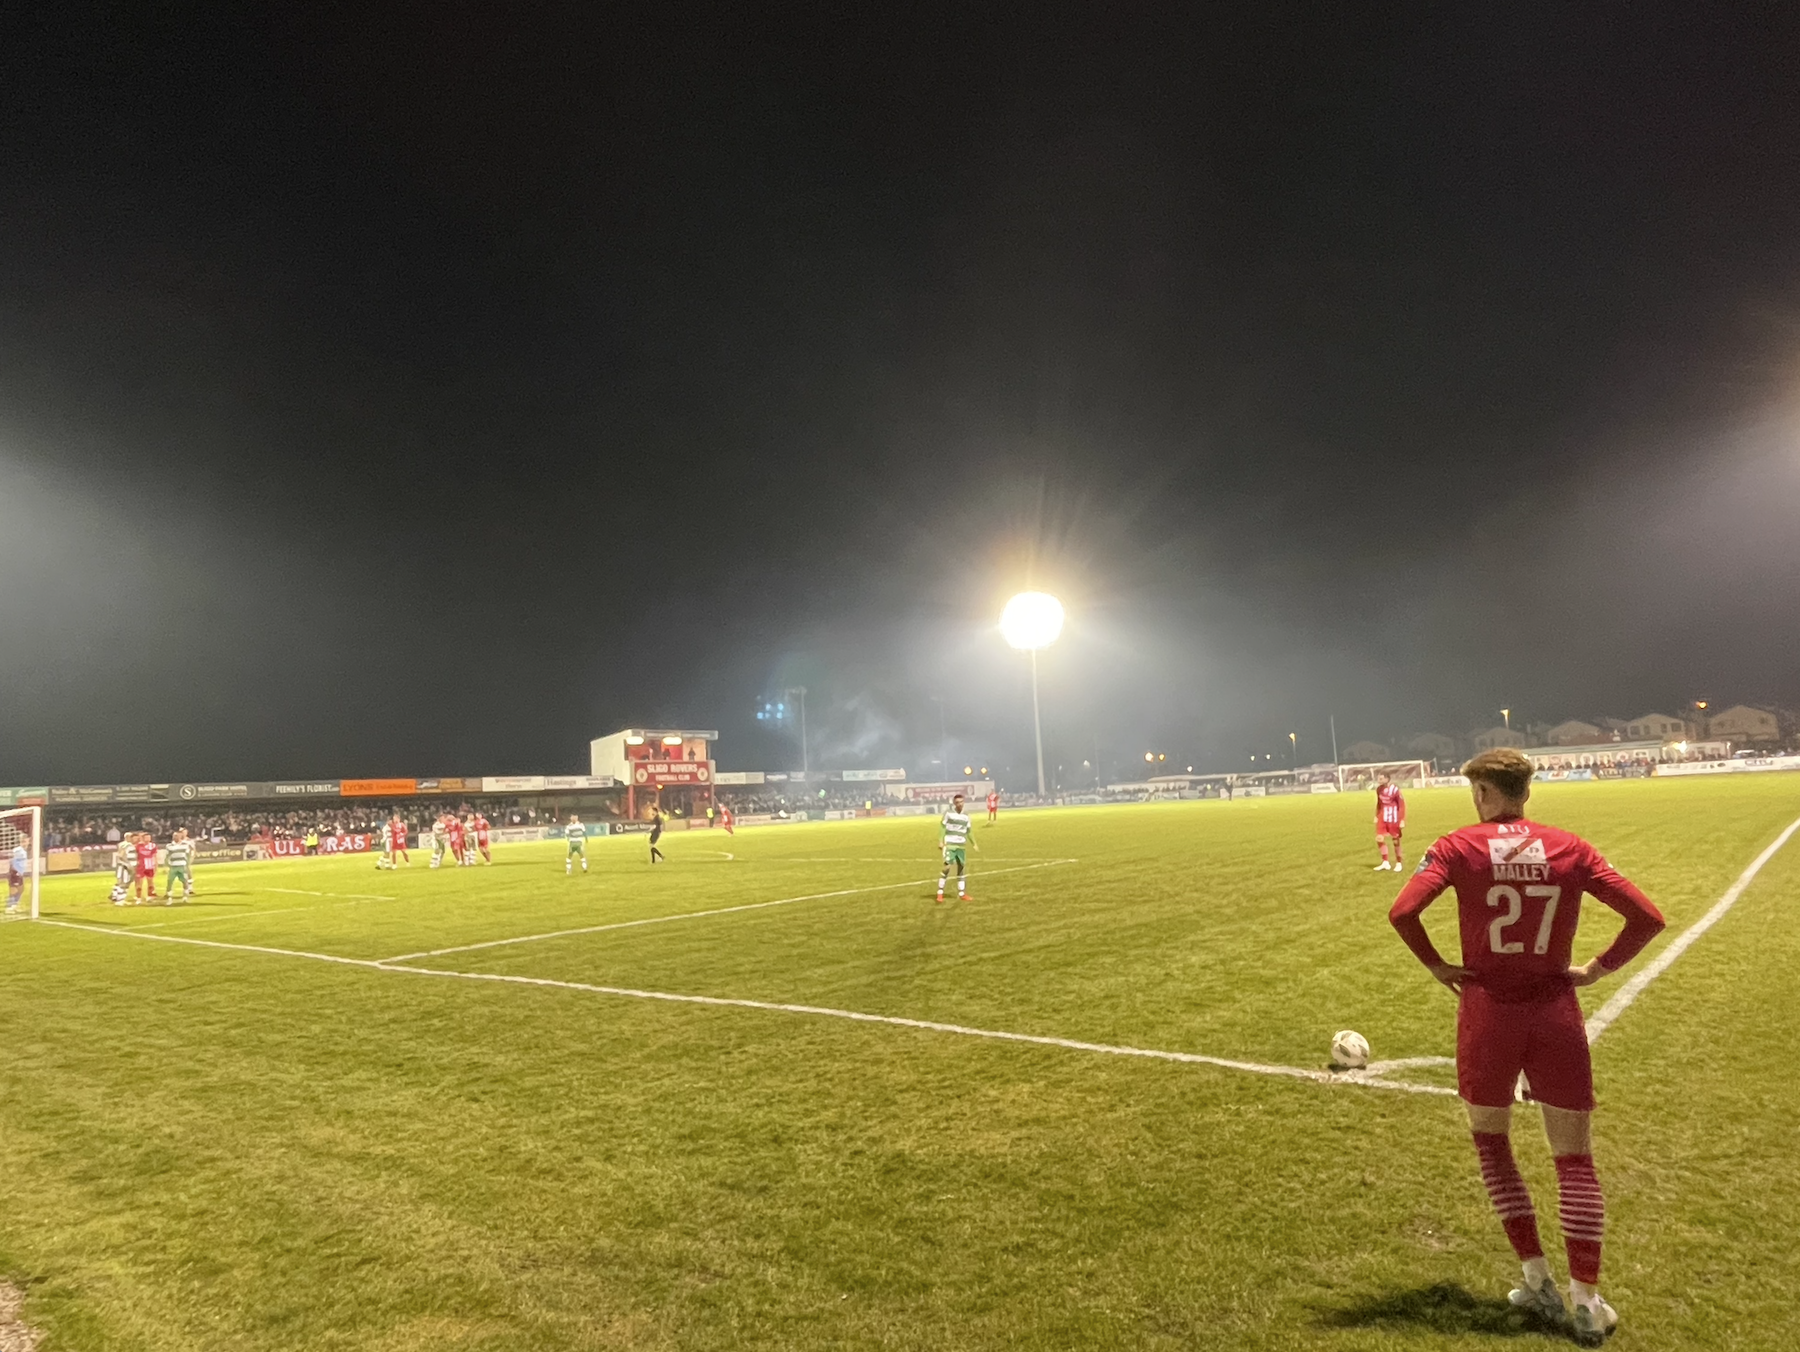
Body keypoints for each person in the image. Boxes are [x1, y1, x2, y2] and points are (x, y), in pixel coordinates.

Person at [1387, 748, 1665, 1345]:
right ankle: (1587, 1301)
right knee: (1574, 1159)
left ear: (1485, 793)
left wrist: (1437, 966)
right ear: (1527, 791)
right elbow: (1647, 917)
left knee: (1492, 1143)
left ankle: (1536, 1277)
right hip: (1554, 1012)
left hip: (1487, 1013)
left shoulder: (1457, 846)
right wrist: (1595, 968)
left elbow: (1403, 909)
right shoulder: (1572, 847)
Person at [936, 792, 976, 902]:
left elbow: (969, 831)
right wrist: (940, 841)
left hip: (961, 845)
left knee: (961, 868)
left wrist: (974, 843)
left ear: (964, 802)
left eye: (961, 802)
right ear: (954, 803)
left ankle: (962, 893)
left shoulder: (966, 816)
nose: (959, 804)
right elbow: (942, 827)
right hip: (950, 844)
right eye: (957, 802)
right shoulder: (948, 813)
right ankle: (940, 893)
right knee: (947, 867)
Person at [1373, 771, 1406, 870]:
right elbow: (1379, 803)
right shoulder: (1379, 789)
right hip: (1383, 817)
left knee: (1395, 841)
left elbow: (1401, 805)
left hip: (1394, 818)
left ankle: (1399, 863)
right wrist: (1376, 815)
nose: (1379, 780)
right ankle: (1385, 862)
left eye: (1381, 778)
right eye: (1379, 778)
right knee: (1379, 838)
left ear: (1387, 779)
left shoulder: (1395, 789)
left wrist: (1402, 820)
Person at [163, 828, 195, 903]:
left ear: (180, 836)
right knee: (170, 882)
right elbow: (167, 857)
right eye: (174, 836)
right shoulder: (169, 846)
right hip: (173, 866)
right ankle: (169, 898)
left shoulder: (185, 845)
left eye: (177, 836)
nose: (175, 837)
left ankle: (185, 897)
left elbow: (187, 855)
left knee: (185, 882)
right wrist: (166, 866)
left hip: (182, 866)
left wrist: (187, 865)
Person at [134, 831, 158, 904]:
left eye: (149, 838)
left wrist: (156, 866)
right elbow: (135, 855)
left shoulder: (153, 846)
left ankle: (149, 896)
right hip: (141, 866)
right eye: (146, 837)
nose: (148, 839)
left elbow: (154, 856)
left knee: (150, 882)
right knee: (139, 883)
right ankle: (138, 898)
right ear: (143, 838)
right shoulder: (138, 846)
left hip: (149, 866)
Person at [110, 833, 135, 905]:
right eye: (131, 837)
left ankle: (114, 895)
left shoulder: (121, 844)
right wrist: (128, 865)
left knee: (119, 882)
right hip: (124, 866)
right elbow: (122, 855)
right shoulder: (128, 845)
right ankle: (120, 900)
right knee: (124, 883)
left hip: (120, 865)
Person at [5, 837, 25, 918]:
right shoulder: (17, 850)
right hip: (15, 873)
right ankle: (9, 907)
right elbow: (12, 861)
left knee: (21, 889)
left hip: (19, 873)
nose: (26, 842)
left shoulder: (23, 851)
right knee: (14, 890)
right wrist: (14, 871)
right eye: (24, 841)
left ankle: (14, 905)